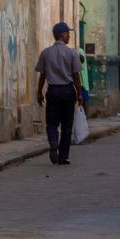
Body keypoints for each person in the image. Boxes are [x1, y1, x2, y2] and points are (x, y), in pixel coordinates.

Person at [36, 22, 84, 165]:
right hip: (68, 91)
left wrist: (39, 92)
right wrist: (79, 93)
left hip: (53, 91)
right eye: (68, 33)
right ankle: (64, 156)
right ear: (62, 35)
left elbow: (42, 75)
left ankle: (53, 142)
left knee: (51, 122)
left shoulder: (45, 53)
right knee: (67, 125)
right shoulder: (71, 53)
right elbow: (76, 76)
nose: (69, 35)